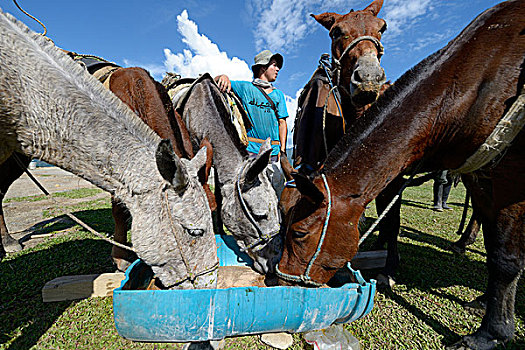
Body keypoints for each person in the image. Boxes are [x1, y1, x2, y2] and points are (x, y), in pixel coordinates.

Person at [215, 50, 289, 197]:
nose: (278, 69)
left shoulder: (278, 95)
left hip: (273, 154)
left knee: (277, 196)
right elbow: (218, 80)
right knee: (252, 197)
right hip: (250, 154)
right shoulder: (245, 88)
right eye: (274, 65)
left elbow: (282, 123)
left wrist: (283, 151)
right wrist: (222, 76)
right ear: (263, 67)